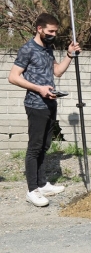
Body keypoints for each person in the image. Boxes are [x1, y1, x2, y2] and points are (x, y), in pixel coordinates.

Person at [8, 13, 80, 207]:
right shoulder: (27, 49)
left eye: (55, 31)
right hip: (35, 104)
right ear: (39, 29)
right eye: (50, 31)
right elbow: (13, 77)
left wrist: (69, 55)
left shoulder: (48, 48)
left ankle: (42, 183)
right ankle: (32, 190)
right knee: (34, 147)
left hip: (50, 103)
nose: (53, 34)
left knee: (45, 145)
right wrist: (39, 88)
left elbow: (56, 71)